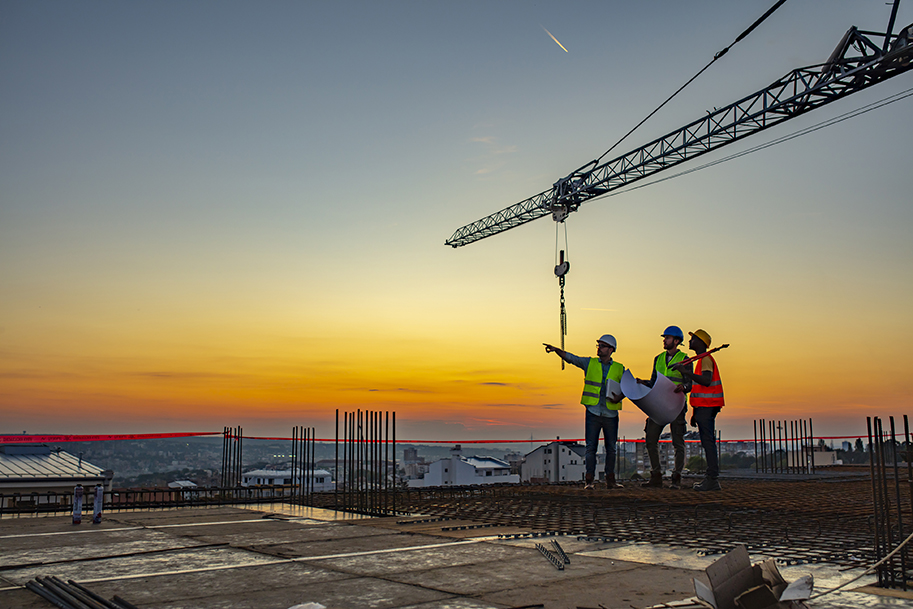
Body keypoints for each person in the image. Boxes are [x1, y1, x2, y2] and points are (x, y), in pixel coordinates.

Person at [544, 335, 625, 489]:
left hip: (610, 414)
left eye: (602, 345)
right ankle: (589, 481)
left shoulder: (619, 368)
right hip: (593, 412)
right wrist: (556, 351)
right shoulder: (590, 363)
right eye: (598, 345)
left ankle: (610, 480)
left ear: (611, 350)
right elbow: (571, 358)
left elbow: (629, 387)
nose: (599, 348)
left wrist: (620, 396)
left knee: (611, 448)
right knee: (591, 448)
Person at [636, 326, 692, 489]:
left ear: (676, 341)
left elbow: (690, 382)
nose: (664, 340)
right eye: (664, 337)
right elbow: (655, 381)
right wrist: (644, 382)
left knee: (678, 442)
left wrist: (685, 387)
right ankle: (656, 476)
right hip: (659, 405)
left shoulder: (685, 359)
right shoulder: (658, 358)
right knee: (650, 439)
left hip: (676, 406)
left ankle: (676, 477)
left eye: (667, 338)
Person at [672, 329, 724, 491]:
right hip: (704, 407)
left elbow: (706, 381)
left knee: (708, 442)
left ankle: (712, 479)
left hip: (708, 407)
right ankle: (711, 478)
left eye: (693, 338)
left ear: (700, 342)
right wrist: (695, 412)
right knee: (707, 441)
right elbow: (700, 387)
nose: (689, 341)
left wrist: (685, 372)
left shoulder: (706, 360)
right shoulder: (702, 360)